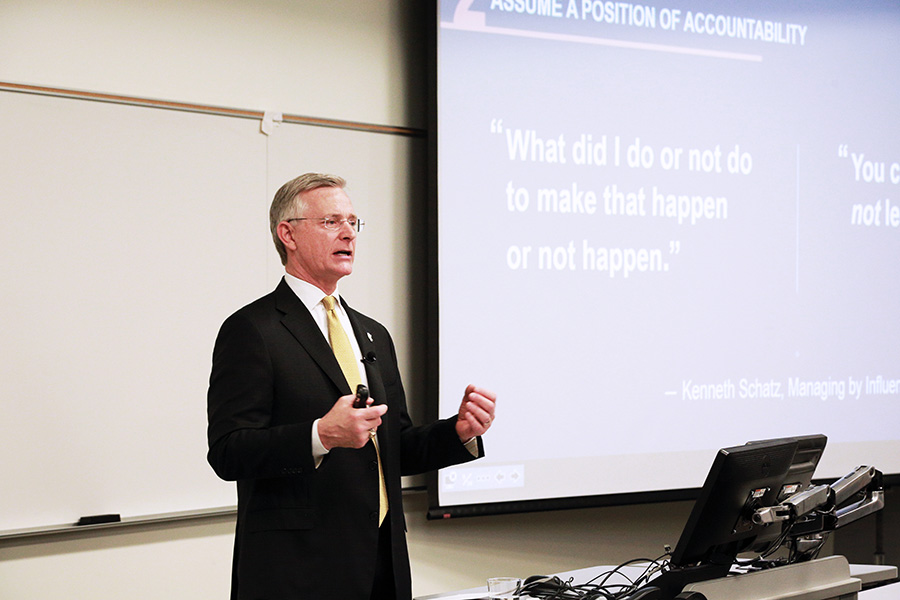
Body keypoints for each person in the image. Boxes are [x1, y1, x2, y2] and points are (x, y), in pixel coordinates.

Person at [207, 173, 497, 600]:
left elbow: (393, 444)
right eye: (331, 222)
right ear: (287, 233)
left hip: (382, 561)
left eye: (354, 222)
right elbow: (229, 452)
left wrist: (457, 433)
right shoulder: (253, 329)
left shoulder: (371, 332)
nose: (348, 234)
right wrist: (320, 435)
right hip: (298, 570)